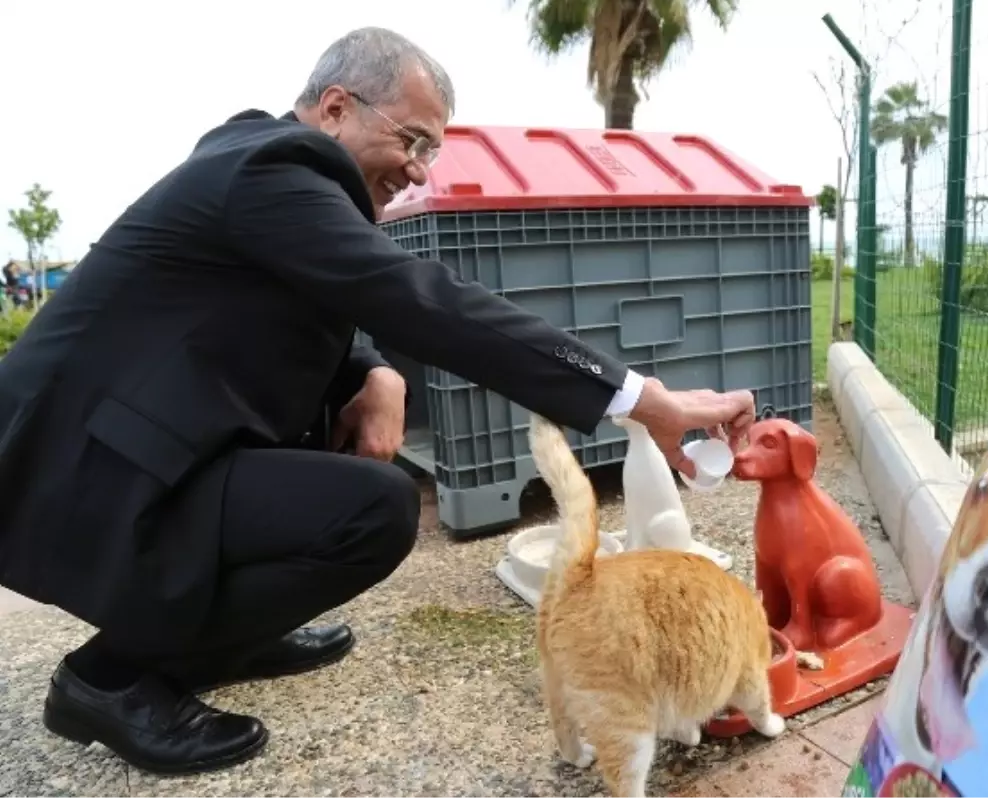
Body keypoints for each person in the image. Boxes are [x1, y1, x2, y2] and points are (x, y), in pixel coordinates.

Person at [0, 26, 760, 776]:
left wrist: (376, 371)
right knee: (374, 509)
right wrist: (638, 397)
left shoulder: (257, 171)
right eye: (415, 142)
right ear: (336, 108)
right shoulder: (273, 168)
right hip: (86, 468)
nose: (419, 172)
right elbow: (418, 299)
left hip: (143, 448)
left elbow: (318, 300)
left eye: (431, 151)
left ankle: (220, 638)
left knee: (345, 486)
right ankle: (107, 678)